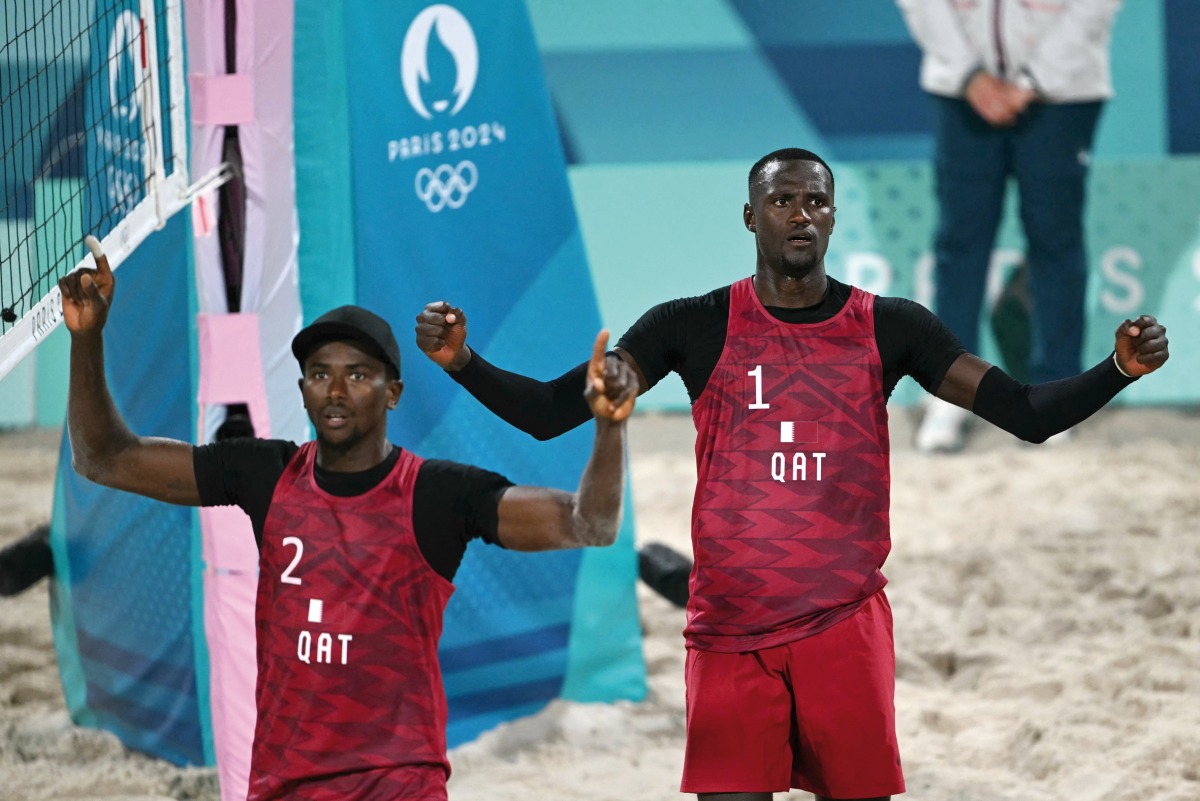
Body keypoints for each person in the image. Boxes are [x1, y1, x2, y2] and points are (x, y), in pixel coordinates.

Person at [414, 147, 1169, 801]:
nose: (800, 213)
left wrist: (1118, 369)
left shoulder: (891, 325)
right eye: (781, 200)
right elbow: (552, 412)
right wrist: (463, 361)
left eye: (816, 200)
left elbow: (1027, 413)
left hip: (843, 626)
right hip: (728, 634)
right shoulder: (690, 323)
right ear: (750, 218)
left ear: (834, 218)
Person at [58, 237, 637, 801]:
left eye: (358, 375)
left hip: (398, 783)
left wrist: (609, 429)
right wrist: (88, 339)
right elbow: (103, 458)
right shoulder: (265, 474)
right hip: (283, 784)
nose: (335, 389)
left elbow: (590, 524)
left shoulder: (437, 494)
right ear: (304, 389)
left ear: (394, 393)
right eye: (318, 373)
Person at [895, 0, 1124, 452]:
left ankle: (1059, 395)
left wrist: (1032, 81)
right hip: (962, 92)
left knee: (1055, 240)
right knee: (960, 241)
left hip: (1063, 92)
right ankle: (953, 396)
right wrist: (971, 77)